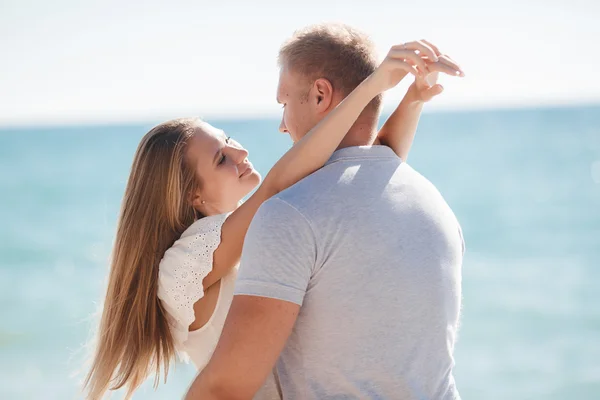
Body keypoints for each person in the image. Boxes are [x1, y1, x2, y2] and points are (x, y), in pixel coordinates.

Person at [82, 22, 462, 399]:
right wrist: (372, 87)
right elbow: (279, 183)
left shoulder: (263, 223)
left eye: (230, 141)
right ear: (192, 196)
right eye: (221, 158)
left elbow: (366, 167)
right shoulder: (183, 263)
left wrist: (412, 98)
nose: (241, 152)